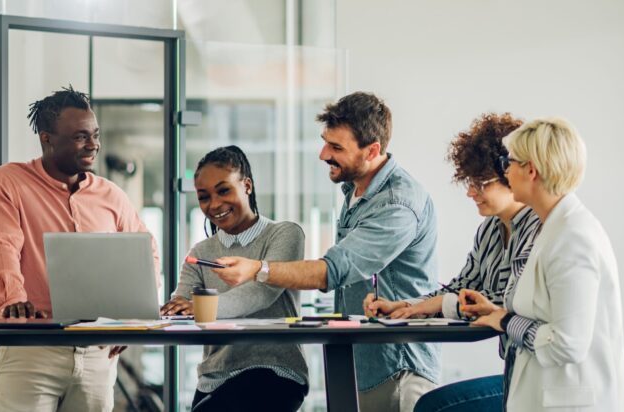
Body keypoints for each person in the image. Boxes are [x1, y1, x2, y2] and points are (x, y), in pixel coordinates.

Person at [207, 91, 440, 412]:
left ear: (372, 150)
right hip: (359, 363)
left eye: (336, 147)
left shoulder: (397, 203)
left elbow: (336, 269)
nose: (323, 154)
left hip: (396, 369)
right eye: (325, 141)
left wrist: (257, 269)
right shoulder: (355, 190)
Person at [0, 86, 160, 412]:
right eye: (80, 137)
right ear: (47, 139)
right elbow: (1, 247)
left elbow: (145, 253)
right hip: (31, 349)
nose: (93, 145)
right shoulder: (6, 183)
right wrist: (13, 301)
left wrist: (134, 317)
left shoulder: (111, 195)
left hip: (97, 354)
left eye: (95, 135)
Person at [361, 113, 541, 411]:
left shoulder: (540, 228)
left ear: (511, 174)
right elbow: (463, 288)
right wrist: (408, 306)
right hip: (516, 373)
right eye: (469, 182)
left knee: (434, 407)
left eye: (481, 183)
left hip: (537, 380)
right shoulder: (490, 230)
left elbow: (504, 305)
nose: (471, 192)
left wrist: (432, 306)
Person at [463, 117, 624, 411]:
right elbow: (545, 313)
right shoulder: (552, 228)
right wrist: (498, 312)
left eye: (510, 162)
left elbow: (567, 343)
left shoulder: (573, 237)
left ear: (531, 170)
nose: (506, 171)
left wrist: (505, 321)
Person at [159, 145, 308, 411]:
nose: (214, 204)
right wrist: (176, 308)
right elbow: (181, 300)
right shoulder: (201, 252)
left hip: (274, 368)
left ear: (247, 185)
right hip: (214, 378)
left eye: (224, 190)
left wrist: (200, 308)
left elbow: (261, 293)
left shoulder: (285, 234)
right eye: (204, 197)